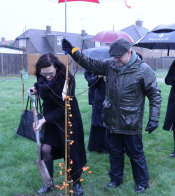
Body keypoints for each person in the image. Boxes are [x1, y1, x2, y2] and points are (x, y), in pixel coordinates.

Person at [62, 38, 162, 193]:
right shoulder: (110, 65)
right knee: (114, 153)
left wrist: (154, 118)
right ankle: (115, 179)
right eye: (113, 57)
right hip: (111, 121)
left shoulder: (143, 70)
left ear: (129, 53)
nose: (115, 60)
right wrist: (74, 52)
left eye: (118, 57)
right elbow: (91, 63)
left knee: (136, 154)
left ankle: (142, 182)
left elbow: (155, 94)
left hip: (131, 122)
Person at [30, 53, 86, 196]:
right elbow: (41, 84)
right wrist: (35, 87)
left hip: (67, 118)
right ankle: (48, 183)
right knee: (46, 149)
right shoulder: (42, 76)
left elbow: (64, 106)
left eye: (51, 73)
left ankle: (76, 183)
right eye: (44, 74)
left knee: (70, 151)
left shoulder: (67, 79)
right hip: (50, 119)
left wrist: (44, 120)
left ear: (56, 67)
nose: (47, 77)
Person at [84, 70, 110, 153]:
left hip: (110, 101)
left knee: (108, 123)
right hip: (98, 100)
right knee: (98, 123)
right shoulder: (96, 70)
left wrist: (107, 79)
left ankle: (108, 146)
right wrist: (98, 77)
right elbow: (91, 84)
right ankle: (97, 147)